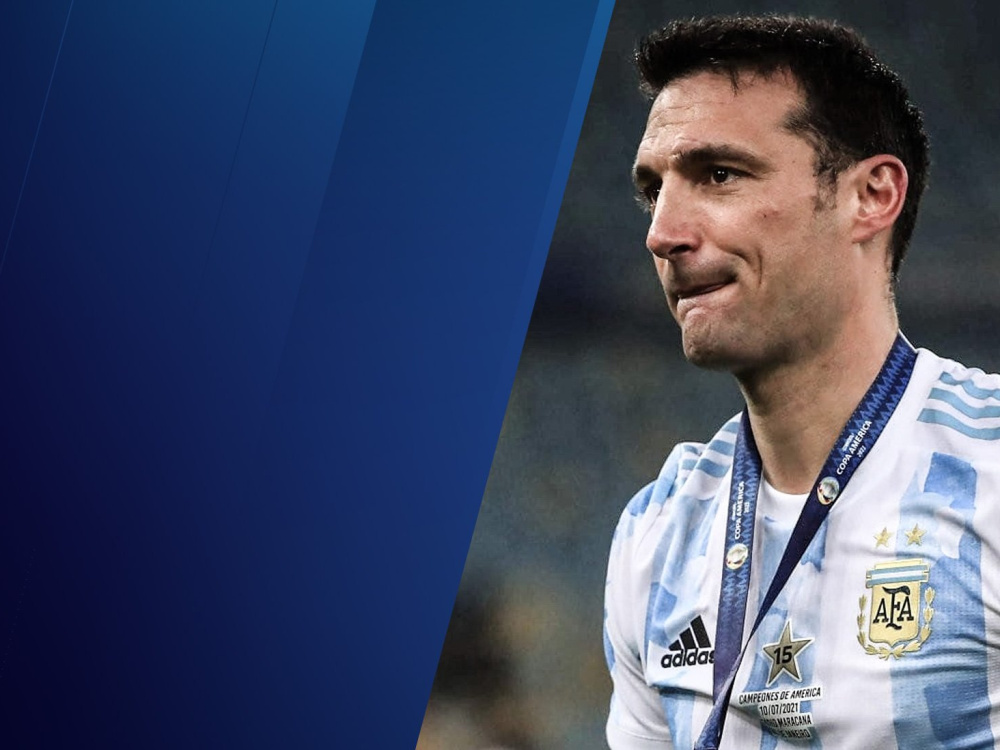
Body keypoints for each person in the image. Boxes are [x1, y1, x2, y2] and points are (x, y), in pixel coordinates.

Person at [603, 14, 1000, 749]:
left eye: (719, 174)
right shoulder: (657, 534)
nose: (662, 232)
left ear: (871, 196)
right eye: (653, 189)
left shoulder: (990, 473)